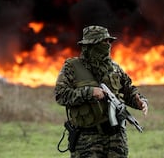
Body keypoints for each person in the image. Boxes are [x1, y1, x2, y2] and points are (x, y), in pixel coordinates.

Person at [55, 25, 148, 158]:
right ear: (90, 45)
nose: (107, 45)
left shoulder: (114, 68)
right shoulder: (72, 67)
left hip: (116, 138)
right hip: (87, 139)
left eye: (109, 41)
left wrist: (139, 101)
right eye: (103, 42)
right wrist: (89, 92)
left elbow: (128, 89)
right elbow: (60, 95)